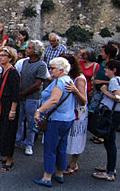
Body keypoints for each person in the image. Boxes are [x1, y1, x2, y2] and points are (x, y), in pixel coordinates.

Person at [33, 57, 76, 187]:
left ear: (61, 69)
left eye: (52, 68)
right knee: (61, 146)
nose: (50, 70)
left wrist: (39, 110)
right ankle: (60, 173)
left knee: (50, 147)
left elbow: (54, 100)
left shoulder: (59, 83)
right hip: (68, 118)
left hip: (56, 119)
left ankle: (47, 177)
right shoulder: (69, 81)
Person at [15, 40, 48, 156]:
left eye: (29, 48)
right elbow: (21, 77)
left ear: (36, 51)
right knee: (19, 119)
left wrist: (24, 92)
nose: (27, 50)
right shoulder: (25, 63)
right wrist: (19, 90)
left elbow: (38, 83)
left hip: (32, 97)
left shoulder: (41, 65)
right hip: (22, 96)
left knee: (31, 121)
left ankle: (29, 144)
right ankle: (18, 140)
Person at [92, 60, 120, 182]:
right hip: (115, 114)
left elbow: (118, 98)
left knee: (109, 142)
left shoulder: (114, 81)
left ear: (113, 70)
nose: (105, 71)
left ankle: (110, 172)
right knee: (110, 141)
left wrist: (104, 91)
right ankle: (110, 167)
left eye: (107, 68)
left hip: (111, 114)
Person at [0, 47, 20, 172]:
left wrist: (13, 110)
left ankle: (10, 159)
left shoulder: (13, 72)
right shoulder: (4, 71)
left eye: (4, 55)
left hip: (10, 105)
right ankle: (4, 156)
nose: (0, 57)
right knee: (3, 131)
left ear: (10, 58)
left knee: (9, 132)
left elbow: (16, 93)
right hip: (3, 104)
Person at [63, 55, 88, 176]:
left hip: (78, 112)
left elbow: (83, 100)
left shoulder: (79, 79)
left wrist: (75, 90)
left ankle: (74, 163)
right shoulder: (68, 77)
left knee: (76, 137)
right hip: (70, 110)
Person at [88, 44, 117, 144]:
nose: (101, 54)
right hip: (98, 91)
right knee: (94, 111)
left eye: (103, 52)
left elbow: (116, 81)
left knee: (102, 112)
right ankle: (97, 133)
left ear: (108, 54)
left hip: (105, 92)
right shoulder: (103, 62)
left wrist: (101, 82)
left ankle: (102, 134)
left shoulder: (114, 65)